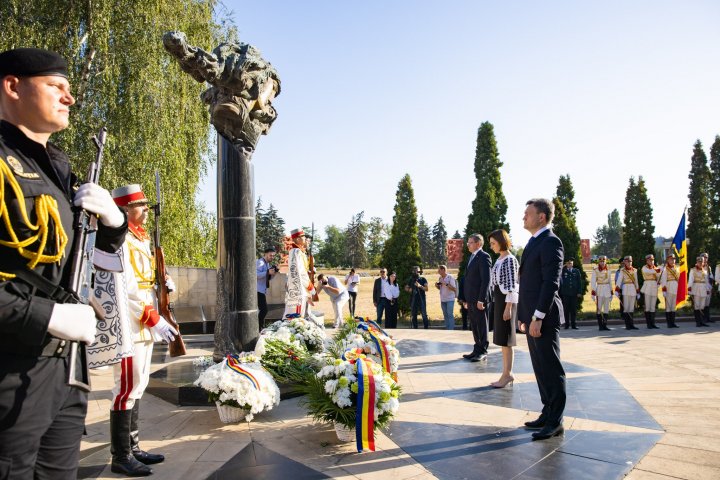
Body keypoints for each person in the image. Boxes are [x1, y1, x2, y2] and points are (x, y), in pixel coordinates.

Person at [0, 48, 127, 479]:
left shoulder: (58, 168)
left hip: (64, 369)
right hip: (12, 368)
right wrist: (48, 314)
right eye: (57, 86)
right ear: (13, 86)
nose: (69, 98)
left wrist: (114, 223)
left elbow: (84, 258)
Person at [109, 184, 179, 476]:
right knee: (125, 388)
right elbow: (126, 289)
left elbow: (145, 278)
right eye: (141, 205)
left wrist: (165, 280)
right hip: (130, 325)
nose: (147, 209)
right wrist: (154, 318)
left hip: (143, 325)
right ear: (125, 210)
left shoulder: (139, 239)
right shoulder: (121, 240)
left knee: (137, 386)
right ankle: (121, 456)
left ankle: (133, 446)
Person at [518, 198, 566, 441]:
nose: (523, 217)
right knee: (539, 368)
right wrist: (524, 317)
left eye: (528, 213)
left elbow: (550, 283)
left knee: (550, 368)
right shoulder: (533, 242)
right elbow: (527, 283)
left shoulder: (550, 242)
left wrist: (537, 316)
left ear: (542, 217)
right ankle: (547, 412)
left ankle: (556, 421)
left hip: (544, 317)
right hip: (532, 317)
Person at [487, 229, 518, 388]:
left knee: (507, 339)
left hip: (506, 301)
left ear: (501, 241)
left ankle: (508, 374)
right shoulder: (500, 259)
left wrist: (508, 307)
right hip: (499, 299)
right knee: (502, 340)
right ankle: (506, 373)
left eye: (493, 243)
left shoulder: (510, 259)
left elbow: (512, 286)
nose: (491, 246)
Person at [461, 234, 492, 362]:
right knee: (474, 324)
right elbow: (468, 280)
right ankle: (477, 349)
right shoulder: (472, 257)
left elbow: (486, 280)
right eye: (468, 243)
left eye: (471, 243)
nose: (468, 245)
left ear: (478, 244)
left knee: (481, 325)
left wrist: (481, 299)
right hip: (471, 298)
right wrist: (465, 299)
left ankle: (483, 350)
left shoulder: (484, 257)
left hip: (479, 299)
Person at [283, 228, 316, 319]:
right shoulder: (296, 252)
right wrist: (310, 287)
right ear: (298, 239)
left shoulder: (299, 252)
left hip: (299, 288)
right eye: (303, 236)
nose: (305, 238)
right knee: (295, 319)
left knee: (297, 319)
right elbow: (301, 273)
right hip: (298, 289)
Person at [615, 256, 640, 330]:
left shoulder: (634, 270)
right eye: (627, 261)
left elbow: (636, 282)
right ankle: (627, 325)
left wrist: (637, 291)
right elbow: (619, 280)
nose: (629, 263)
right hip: (626, 289)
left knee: (631, 308)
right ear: (624, 262)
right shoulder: (622, 270)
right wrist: (617, 290)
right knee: (626, 308)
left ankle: (631, 324)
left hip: (633, 289)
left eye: (630, 261)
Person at [590, 255, 613, 331]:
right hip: (599, 289)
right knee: (599, 309)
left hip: (607, 290)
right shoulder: (595, 270)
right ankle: (600, 326)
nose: (602, 263)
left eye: (603, 261)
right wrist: (593, 292)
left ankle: (605, 325)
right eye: (601, 261)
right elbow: (593, 281)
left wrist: (611, 292)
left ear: (606, 261)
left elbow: (610, 281)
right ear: (598, 262)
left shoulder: (608, 269)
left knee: (606, 309)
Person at [256, 247, 278, 325]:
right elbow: (255, 275)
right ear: (265, 254)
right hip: (257, 290)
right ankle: (258, 328)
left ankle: (259, 327)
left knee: (262, 310)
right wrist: (267, 272)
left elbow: (268, 278)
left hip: (261, 290)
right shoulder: (260, 263)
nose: (272, 257)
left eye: (273, 256)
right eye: (270, 255)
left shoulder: (267, 263)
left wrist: (274, 273)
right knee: (264, 310)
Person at [559, 259, 582, 330]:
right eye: (568, 263)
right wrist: (563, 266)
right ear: (566, 264)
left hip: (574, 294)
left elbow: (579, 283)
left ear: (573, 264)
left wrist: (579, 292)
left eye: (571, 263)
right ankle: (566, 325)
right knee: (566, 310)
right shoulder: (563, 271)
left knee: (573, 310)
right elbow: (558, 270)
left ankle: (573, 325)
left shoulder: (576, 271)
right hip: (565, 293)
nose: (570, 264)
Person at [640, 254, 661, 329]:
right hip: (647, 287)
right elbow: (649, 272)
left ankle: (653, 323)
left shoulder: (655, 268)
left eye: (652, 260)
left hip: (654, 287)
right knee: (648, 306)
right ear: (647, 261)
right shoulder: (644, 268)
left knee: (653, 306)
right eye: (650, 260)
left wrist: (659, 281)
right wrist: (658, 270)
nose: (652, 261)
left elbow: (659, 278)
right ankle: (648, 324)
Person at [659, 254, 680, 328]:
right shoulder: (665, 268)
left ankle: (673, 322)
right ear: (668, 260)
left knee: (673, 306)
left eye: (674, 259)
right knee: (668, 306)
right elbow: (663, 279)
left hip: (675, 288)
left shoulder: (677, 268)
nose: (673, 260)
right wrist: (664, 290)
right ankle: (669, 323)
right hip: (668, 287)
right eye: (671, 259)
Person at [688, 256, 710, 327]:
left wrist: (707, 289)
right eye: (699, 262)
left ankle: (702, 321)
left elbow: (706, 282)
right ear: (696, 262)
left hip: (703, 288)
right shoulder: (693, 270)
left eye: (702, 262)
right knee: (697, 306)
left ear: (703, 263)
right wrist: (689, 288)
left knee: (702, 306)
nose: (700, 263)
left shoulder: (705, 271)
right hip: (696, 288)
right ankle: (698, 322)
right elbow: (691, 280)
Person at [436, 265, 457, 330]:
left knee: (450, 314)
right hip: (443, 299)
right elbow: (441, 288)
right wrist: (437, 286)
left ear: (443, 270)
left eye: (439, 270)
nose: (438, 271)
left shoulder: (450, 277)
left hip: (450, 299)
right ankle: (447, 329)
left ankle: (451, 329)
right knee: (445, 315)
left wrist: (446, 284)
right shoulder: (440, 278)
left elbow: (454, 289)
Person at [701, 253, 714, 323]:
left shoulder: (708, 267)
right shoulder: (699, 267)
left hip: (708, 287)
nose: (705, 259)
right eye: (704, 257)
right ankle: (703, 318)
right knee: (703, 303)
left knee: (707, 303)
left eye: (706, 257)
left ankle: (708, 318)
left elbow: (711, 276)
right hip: (702, 287)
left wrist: (711, 283)